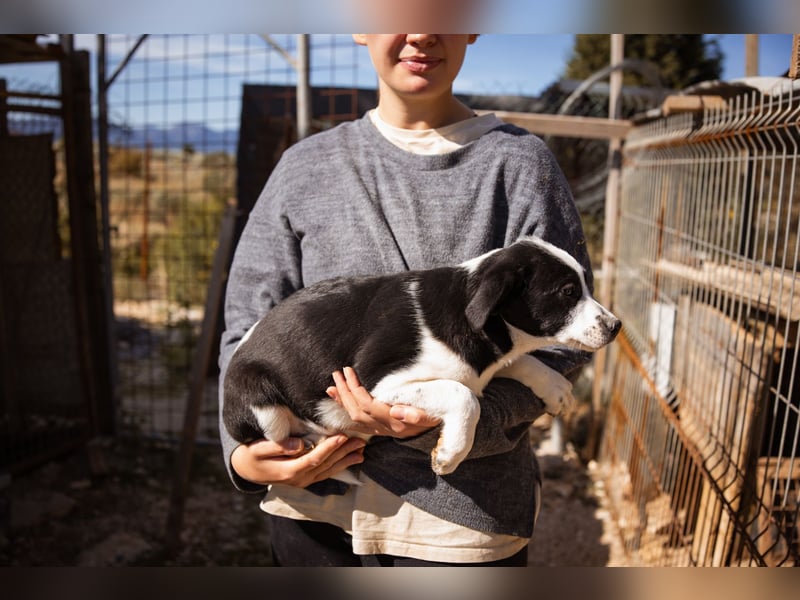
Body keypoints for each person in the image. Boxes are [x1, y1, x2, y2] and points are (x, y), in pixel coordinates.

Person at [218, 33, 593, 566]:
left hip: (460, 519)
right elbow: (246, 325)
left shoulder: (519, 165)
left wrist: (460, 424)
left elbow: (566, 336)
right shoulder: (305, 169)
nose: (421, 29)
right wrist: (245, 456)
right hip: (312, 511)